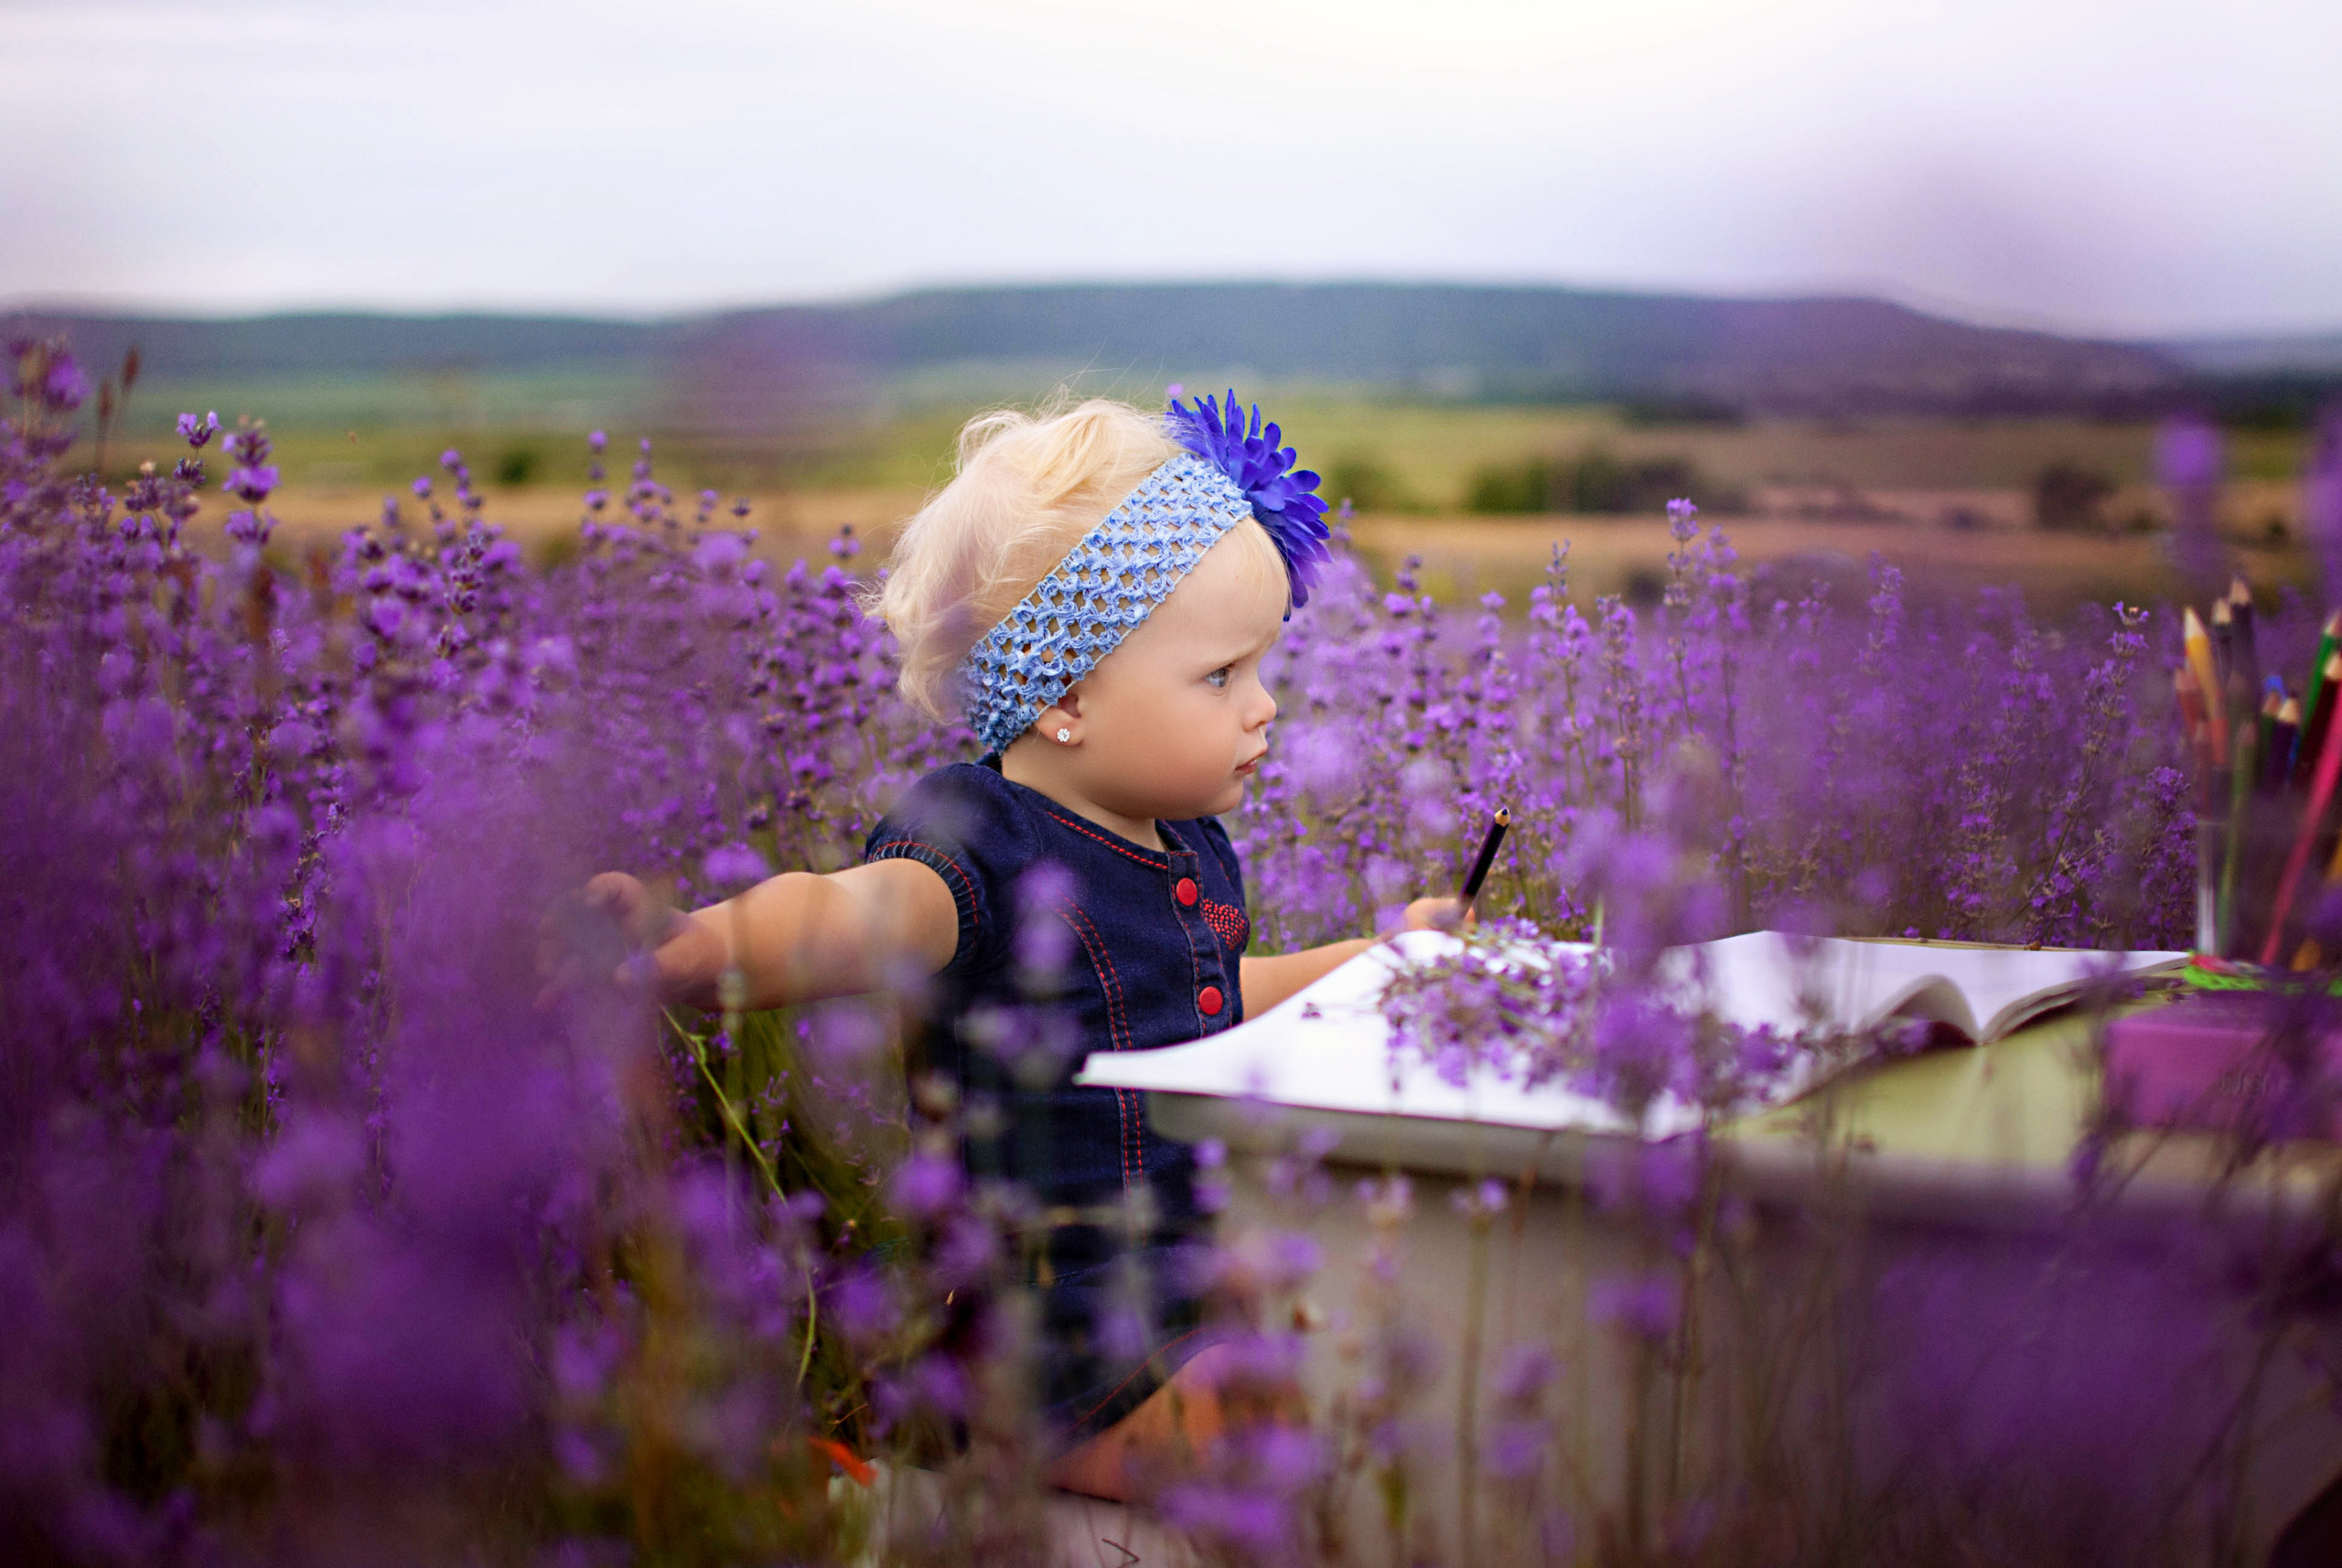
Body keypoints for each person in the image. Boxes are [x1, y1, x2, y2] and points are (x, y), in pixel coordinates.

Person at [578, 393, 1459, 1500]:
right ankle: (917, 1473)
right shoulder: (981, 839)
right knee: (1282, 1420)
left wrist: (1383, 956)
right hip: (1054, 1336)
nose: (1264, 707)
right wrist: (704, 947)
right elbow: (853, 912)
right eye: (1221, 676)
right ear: (1068, 695)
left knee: (1378, 1336)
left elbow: (1215, 1000)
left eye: (1260, 669)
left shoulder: (1188, 844)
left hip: (1183, 1288)